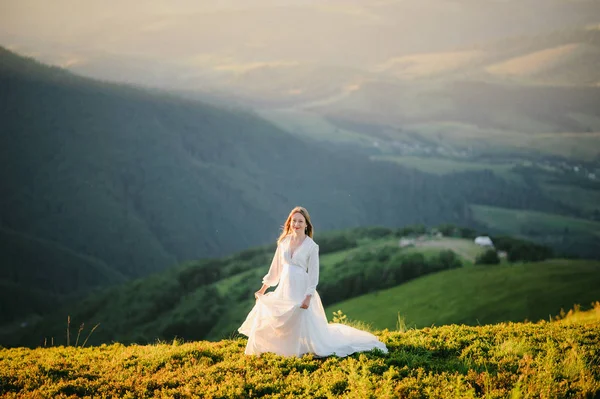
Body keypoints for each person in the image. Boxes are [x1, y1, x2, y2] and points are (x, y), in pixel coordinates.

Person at [238, 206, 388, 357]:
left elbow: (313, 275)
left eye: (300, 221)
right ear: (289, 223)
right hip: (285, 287)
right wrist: (262, 289)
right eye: (294, 220)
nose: (296, 224)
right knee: (276, 315)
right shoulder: (283, 242)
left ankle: (298, 350)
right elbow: (274, 270)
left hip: (301, 289)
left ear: (306, 224)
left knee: (300, 319)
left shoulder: (311, 246)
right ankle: (282, 349)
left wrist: (308, 296)